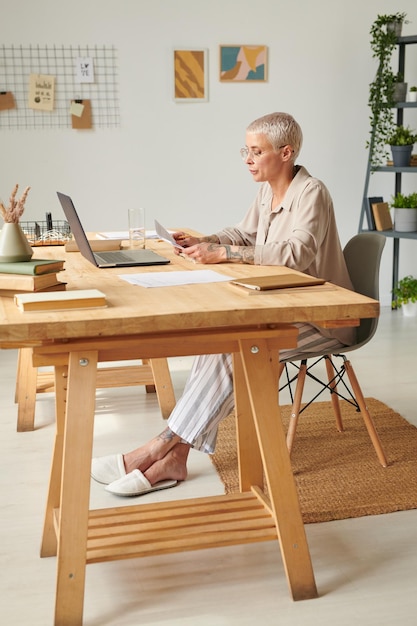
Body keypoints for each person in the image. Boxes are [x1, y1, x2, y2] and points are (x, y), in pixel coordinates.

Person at [91, 111, 354, 497]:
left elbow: (297, 253)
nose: (247, 159)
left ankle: (159, 447)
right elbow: (242, 232)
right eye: (245, 150)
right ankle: (173, 458)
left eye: (256, 151)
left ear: (286, 152)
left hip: (322, 318)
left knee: (233, 351)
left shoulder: (311, 191)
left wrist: (225, 252)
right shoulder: (267, 190)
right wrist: (206, 241)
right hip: (282, 305)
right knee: (220, 340)